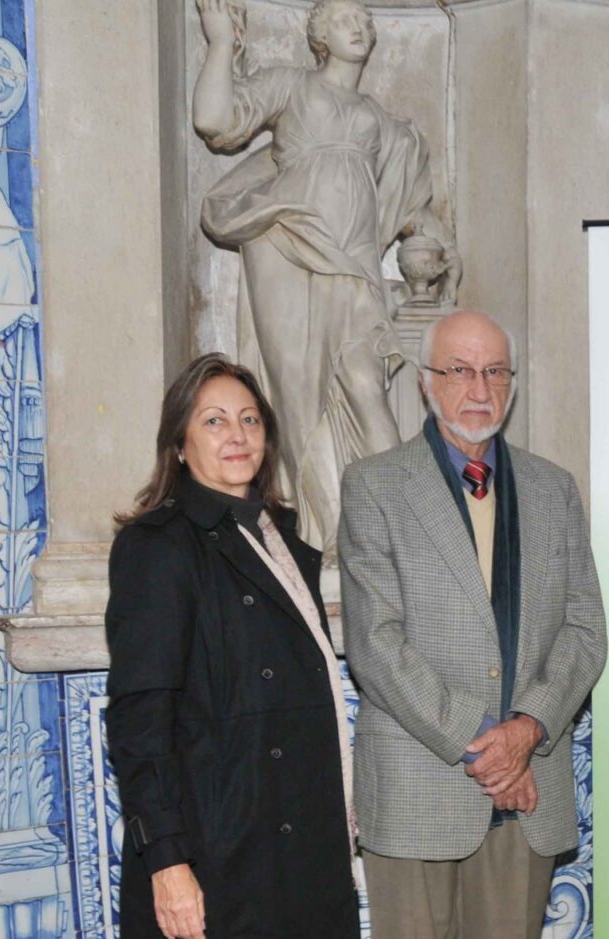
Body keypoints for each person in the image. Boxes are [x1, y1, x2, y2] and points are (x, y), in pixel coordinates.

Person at [339, 310, 606, 939]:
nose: (479, 390)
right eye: (458, 372)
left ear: (513, 381)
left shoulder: (553, 488)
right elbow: (375, 645)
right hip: (424, 771)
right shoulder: (374, 487)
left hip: (525, 772)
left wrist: (527, 728)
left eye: (495, 371)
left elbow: (584, 628)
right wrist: (483, 746)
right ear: (426, 382)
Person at [106, 354, 365, 939]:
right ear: (180, 440)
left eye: (249, 418)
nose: (237, 436)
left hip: (274, 823)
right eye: (214, 421)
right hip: (207, 826)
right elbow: (137, 714)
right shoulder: (162, 546)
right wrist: (167, 858)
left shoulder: (276, 538)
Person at [193, 0, 455, 547]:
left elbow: (411, 207)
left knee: (365, 384)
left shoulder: (383, 123)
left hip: (354, 266)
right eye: (342, 20)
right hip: (285, 247)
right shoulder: (291, 87)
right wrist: (221, 43)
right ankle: (330, 539)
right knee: (298, 398)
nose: (357, 26)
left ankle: (402, 536)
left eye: (364, 20)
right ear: (318, 35)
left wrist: (439, 248)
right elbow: (215, 121)